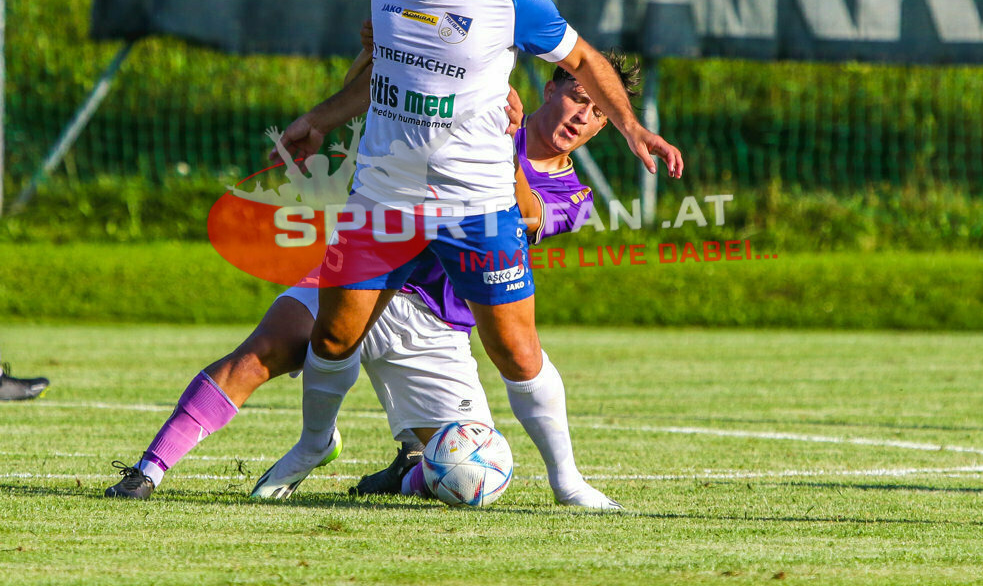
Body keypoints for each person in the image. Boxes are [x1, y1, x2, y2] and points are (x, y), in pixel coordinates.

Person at [252, 0, 681, 506]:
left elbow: (585, 60)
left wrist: (630, 129)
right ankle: (315, 442)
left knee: (513, 346)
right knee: (336, 335)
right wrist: (319, 118)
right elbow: (378, 79)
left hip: (476, 207)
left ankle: (568, 481)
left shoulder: (511, 0)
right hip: (383, 199)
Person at [105, 52, 638, 510]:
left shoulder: (575, 195)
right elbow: (390, 90)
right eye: (578, 96)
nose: (582, 115)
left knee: (471, 472)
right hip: (367, 275)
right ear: (552, 88)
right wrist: (370, 53)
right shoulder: (481, 101)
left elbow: (523, 215)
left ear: (603, 127)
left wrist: (502, 142)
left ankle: (406, 473)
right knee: (260, 353)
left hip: (436, 325)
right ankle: (147, 471)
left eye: (597, 113)